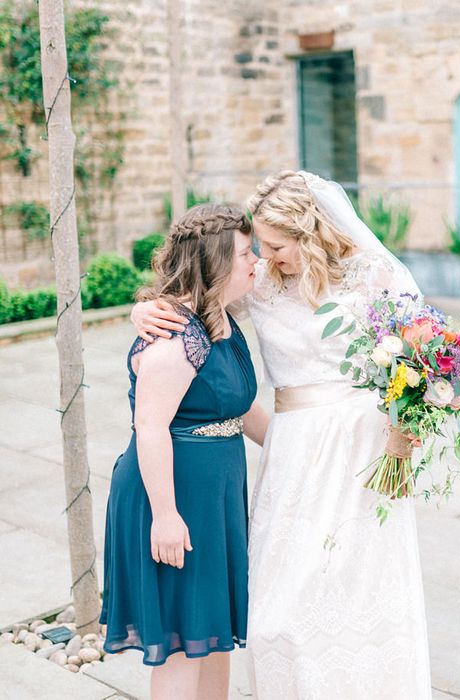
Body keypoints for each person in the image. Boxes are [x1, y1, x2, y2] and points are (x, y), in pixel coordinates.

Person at [132, 171, 431, 698]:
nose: (265, 257)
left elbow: (421, 358)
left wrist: (403, 442)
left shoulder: (373, 273)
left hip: (364, 446)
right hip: (294, 447)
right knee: (278, 608)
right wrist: (145, 309)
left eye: (275, 245)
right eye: (259, 248)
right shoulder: (262, 284)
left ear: (310, 233)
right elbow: (198, 299)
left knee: (360, 586)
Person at [101, 203, 269, 700]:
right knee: (181, 640)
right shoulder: (175, 338)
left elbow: (240, 407)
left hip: (213, 493)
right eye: (244, 253)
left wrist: (306, 450)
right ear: (215, 264)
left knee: (212, 634)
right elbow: (149, 427)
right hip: (173, 495)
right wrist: (167, 517)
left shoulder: (220, 317)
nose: (255, 260)